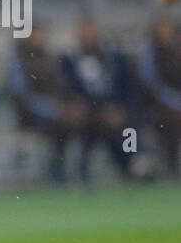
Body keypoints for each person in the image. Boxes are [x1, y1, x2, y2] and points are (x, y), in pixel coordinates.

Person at [61, 20, 137, 181]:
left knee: (125, 124)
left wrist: (119, 108)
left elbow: (128, 87)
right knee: (88, 124)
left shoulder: (114, 58)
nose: (88, 36)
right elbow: (68, 88)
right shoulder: (69, 60)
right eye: (85, 33)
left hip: (115, 110)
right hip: (88, 113)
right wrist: (97, 107)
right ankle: (81, 171)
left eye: (91, 32)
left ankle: (134, 164)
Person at [10, 23, 86, 183]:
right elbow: (24, 97)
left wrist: (71, 106)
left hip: (59, 113)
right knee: (62, 125)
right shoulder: (18, 61)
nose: (39, 37)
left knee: (86, 119)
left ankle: (80, 170)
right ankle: (56, 172)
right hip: (32, 116)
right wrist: (55, 110)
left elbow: (65, 88)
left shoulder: (51, 59)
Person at [139, 18, 181, 174]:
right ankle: (171, 166)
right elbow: (151, 84)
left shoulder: (177, 53)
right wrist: (175, 101)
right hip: (158, 105)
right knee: (173, 120)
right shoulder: (150, 55)